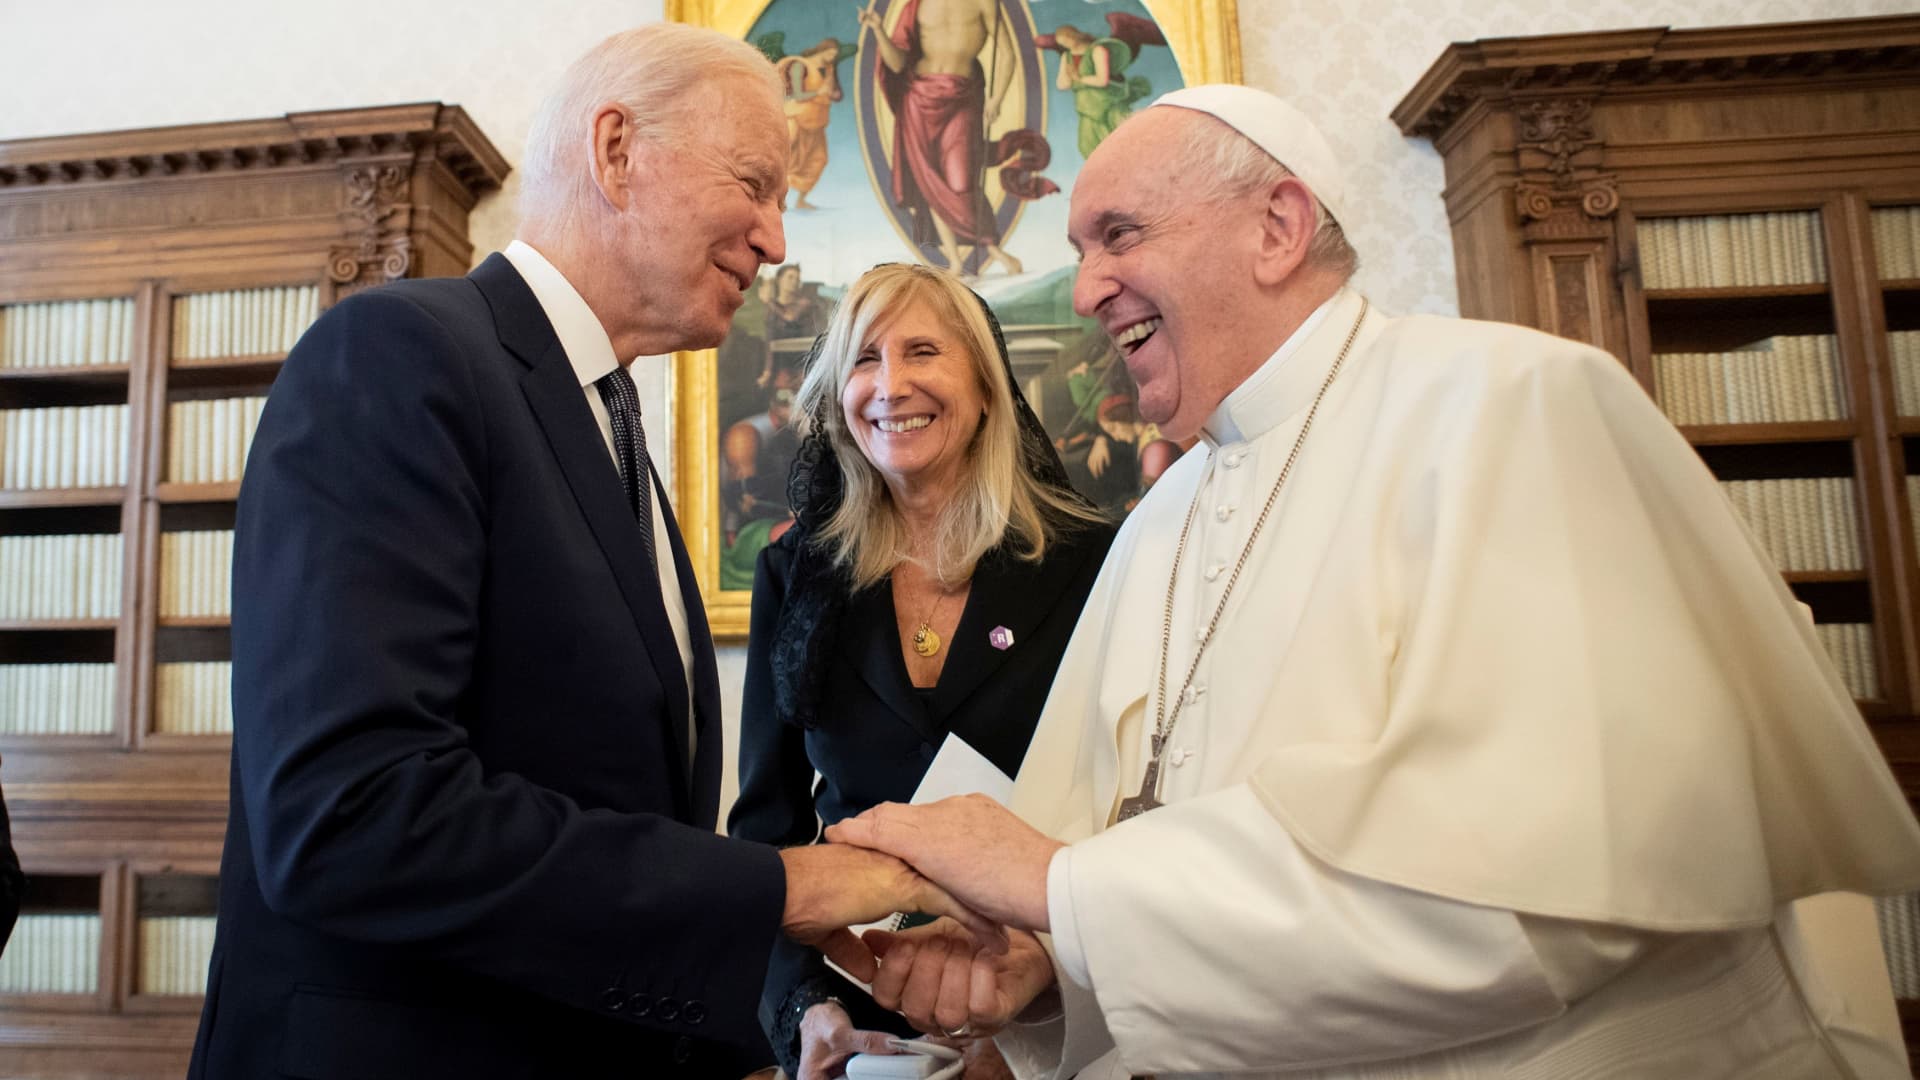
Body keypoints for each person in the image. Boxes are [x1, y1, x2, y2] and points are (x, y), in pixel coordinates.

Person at [827, 84, 1920, 1078]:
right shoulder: (1159, 518)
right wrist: (1051, 968)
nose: (1092, 284)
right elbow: (1124, 860)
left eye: (1121, 234)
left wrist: (1063, 896)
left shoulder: (1511, 406)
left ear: (1278, 227)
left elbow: (1532, 900)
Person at [189, 25, 991, 1080]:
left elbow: (612, 809)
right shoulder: (399, 356)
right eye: (754, 183)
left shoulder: (606, 431)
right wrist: (784, 889)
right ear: (617, 151)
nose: (777, 240)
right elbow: (353, 816)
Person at [730, 263, 1115, 1080]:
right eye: (864, 359)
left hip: (1059, 1012)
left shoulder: (1097, 561)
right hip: (868, 1028)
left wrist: (1039, 1005)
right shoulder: (795, 574)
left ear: (985, 389)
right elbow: (767, 834)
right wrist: (809, 1014)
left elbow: (1133, 809)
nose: (890, 385)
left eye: (923, 352)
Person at [859, 0, 1056, 276]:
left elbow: (1007, 54)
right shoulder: (917, 5)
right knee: (930, 180)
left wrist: (997, 98)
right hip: (918, 97)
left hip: (962, 95)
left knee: (960, 179)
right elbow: (897, 63)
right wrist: (879, 30)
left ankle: (991, 247)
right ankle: (954, 261)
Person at [775, 38, 854, 210]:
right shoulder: (800, 66)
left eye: (835, 55)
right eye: (830, 53)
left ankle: (801, 200)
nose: (832, 57)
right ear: (822, 50)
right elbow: (797, 95)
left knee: (818, 160)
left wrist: (832, 74)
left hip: (816, 122)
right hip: (796, 118)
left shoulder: (828, 70)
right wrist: (819, 91)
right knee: (785, 159)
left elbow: (834, 95)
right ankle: (774, 200)